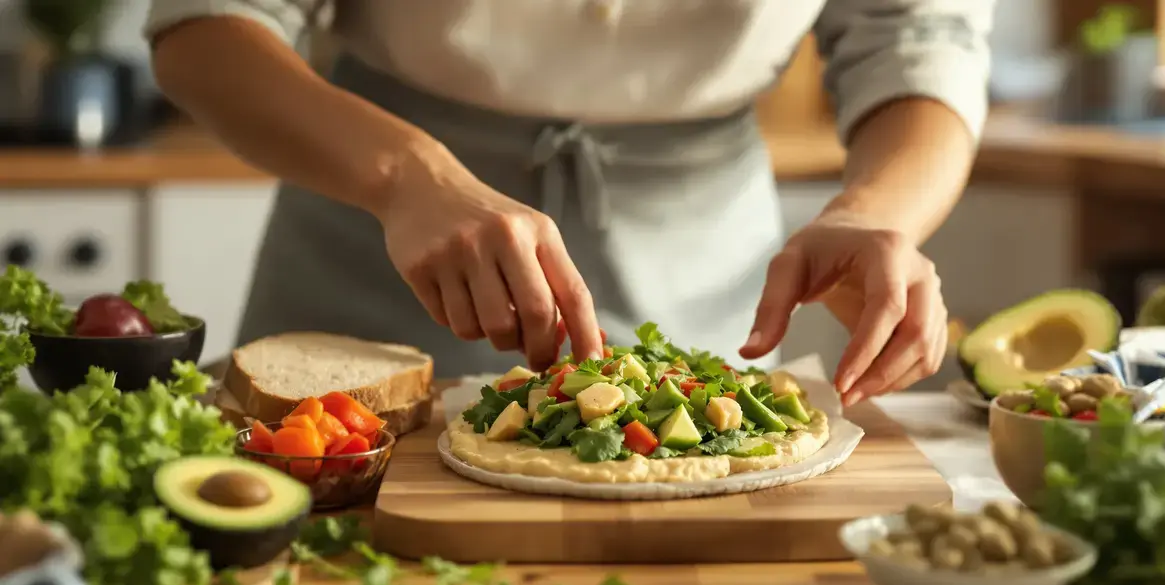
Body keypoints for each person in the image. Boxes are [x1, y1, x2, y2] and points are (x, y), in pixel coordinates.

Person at [145, 0, 994, 407]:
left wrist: (876, 212)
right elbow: (206, 28)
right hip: (370, 231)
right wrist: (407, 177)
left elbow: (920, 38)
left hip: (702, 265)